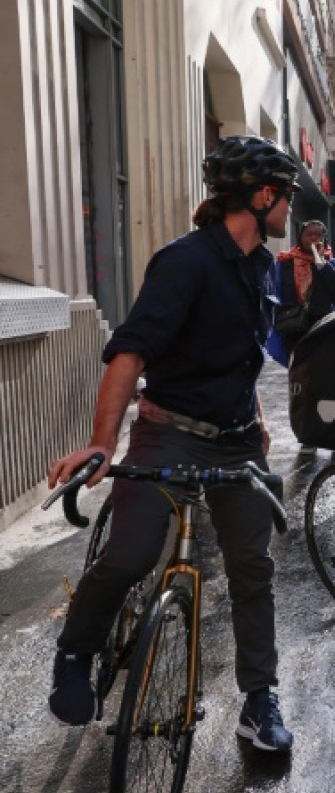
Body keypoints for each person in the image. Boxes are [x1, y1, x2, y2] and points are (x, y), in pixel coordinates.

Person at [46, 135, 299, 750]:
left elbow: (241, 357)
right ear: (263, 196)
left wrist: (258, 413)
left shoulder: (264, 268)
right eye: (285, 196)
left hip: (237, 440)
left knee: (253, 567)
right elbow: (130, 351)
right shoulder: (184, 261)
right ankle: (76, 651)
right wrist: (103, 443)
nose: (290, 209)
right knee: (132, 554)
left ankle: (259, 699)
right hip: (169, 431)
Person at [271, 219, 335, 357]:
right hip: (292, 324)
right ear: (300, 237)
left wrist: (320, 262)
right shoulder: (286, 262)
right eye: (309, 234)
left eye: (318, 235)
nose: (313, 238)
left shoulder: (332, 264)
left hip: (320, 326)